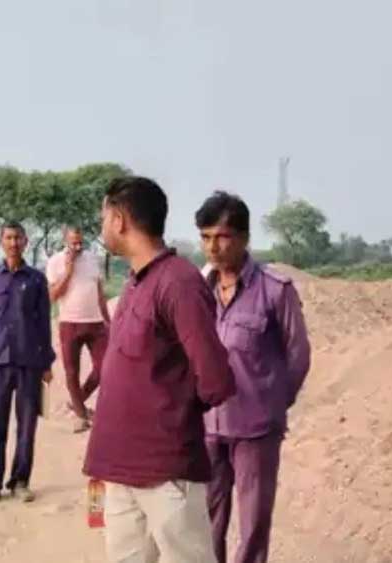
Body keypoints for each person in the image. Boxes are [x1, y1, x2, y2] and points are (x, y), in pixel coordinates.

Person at [83, 176, 235, 563]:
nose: (103, 227)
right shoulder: (137, 283)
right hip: (120, 469)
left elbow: (215, 380)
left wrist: (169, 413)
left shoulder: (178, 282)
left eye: (104, 218)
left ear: (119, 220)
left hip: (166, 471)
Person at [195, 191, 311, 563]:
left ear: (244, 238)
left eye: (222, 236)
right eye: (205, 237)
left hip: (256, 430)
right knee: (205, 520)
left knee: (254, 524)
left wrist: (271, 402)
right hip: (206, 427)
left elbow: (298, 356)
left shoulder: (275, 290)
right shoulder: (198, 290)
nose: (213, 247)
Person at [0, 221, 56, 506]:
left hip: (29, 362)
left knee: (27, 427)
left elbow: (43, 323)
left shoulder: (36, 279)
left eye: (18, 238)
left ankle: (20, 482)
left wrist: (47, 362)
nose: (13, 243)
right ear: (1, 241)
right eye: (8, 238)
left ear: (25, 242)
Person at [45, 226, 112, 433]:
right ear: (65, 241)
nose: (77, 246)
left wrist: (108, 321)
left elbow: (99, 292)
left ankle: (78, 401)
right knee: (71, 372)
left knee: (105, 368)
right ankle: (81, 416)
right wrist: (69, 271)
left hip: (95, 322)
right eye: (73, 242)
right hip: (69, 323)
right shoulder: (55, 262)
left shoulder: (92, 259)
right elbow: (53, 296)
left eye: (80, 242)